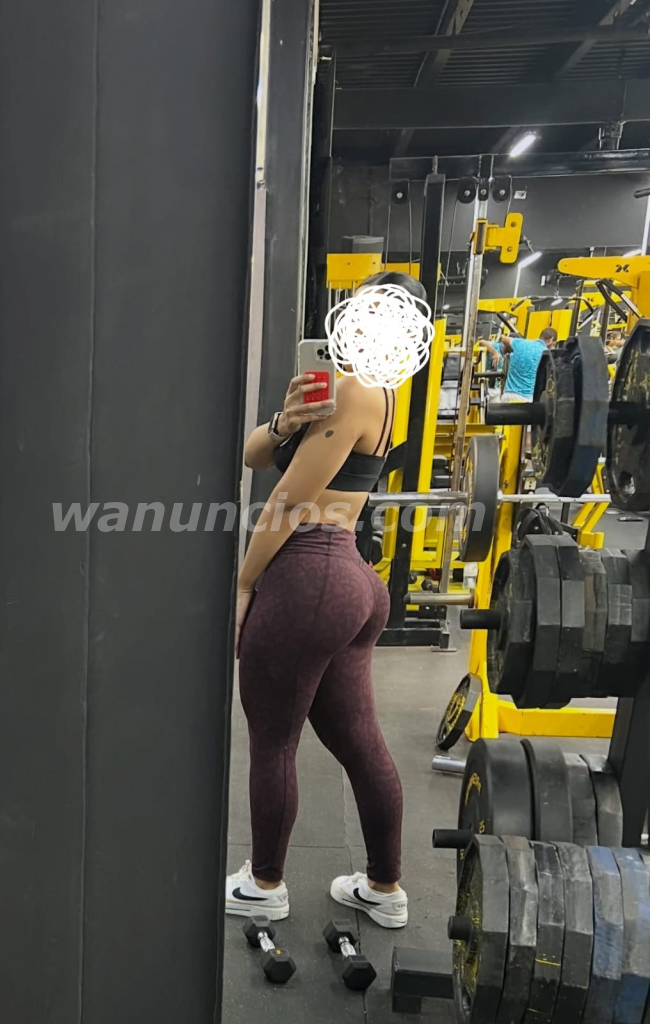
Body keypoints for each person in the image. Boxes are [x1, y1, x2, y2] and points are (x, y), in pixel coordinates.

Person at [227, 272, 422, 930]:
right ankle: (384, 887)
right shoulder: (374, 391)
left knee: (273, 741)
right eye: (358, 309)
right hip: (350, 581)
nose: (361, 323)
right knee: (360, 743)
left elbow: (288, 503)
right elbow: (253, 455)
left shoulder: (356, 389)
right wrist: (286, 420)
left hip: (310, 575)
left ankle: (264, 885)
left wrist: (245, 583)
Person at [479, 327, 558, 403]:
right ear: (550, 341)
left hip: (507, 396)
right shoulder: (545, 353)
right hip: (525, 400)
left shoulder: (521, 343)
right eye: (554, 345)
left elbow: (503, 338)